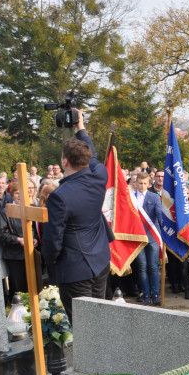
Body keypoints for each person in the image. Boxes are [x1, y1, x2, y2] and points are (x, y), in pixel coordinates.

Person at [41, 110, 111, 320]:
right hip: (101, 261)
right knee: (98, 320)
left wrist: (50, 264)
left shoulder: (59, 196)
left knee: (84, 327)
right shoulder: (99, 176)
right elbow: (95, 156)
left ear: (64, 162)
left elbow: (54, 239)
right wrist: (80, 127)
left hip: (75, 270)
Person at [0, 180, 39, 300]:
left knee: (33, 286)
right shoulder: (6, 212)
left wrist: (35, 239)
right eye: (17, 193)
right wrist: (17, 240)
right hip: (15, 256)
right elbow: (1, 234)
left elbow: (37, 229)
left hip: (32, 254)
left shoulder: (33, 209)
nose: (20, 195)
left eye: (23, 192)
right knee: (18, 288)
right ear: (12, 195)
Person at [129, 171, 164, 306]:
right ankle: (146, 294)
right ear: (136, 184)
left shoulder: (154, 197)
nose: (142, 186)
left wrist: (164, 229)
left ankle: (155, 294)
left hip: (152, 235)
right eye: (140, 183)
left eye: (145, 183)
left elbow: (159, 214)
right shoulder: (131, 197)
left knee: (153, 267)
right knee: (142, 267)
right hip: (138, 237)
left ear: (149, 184)